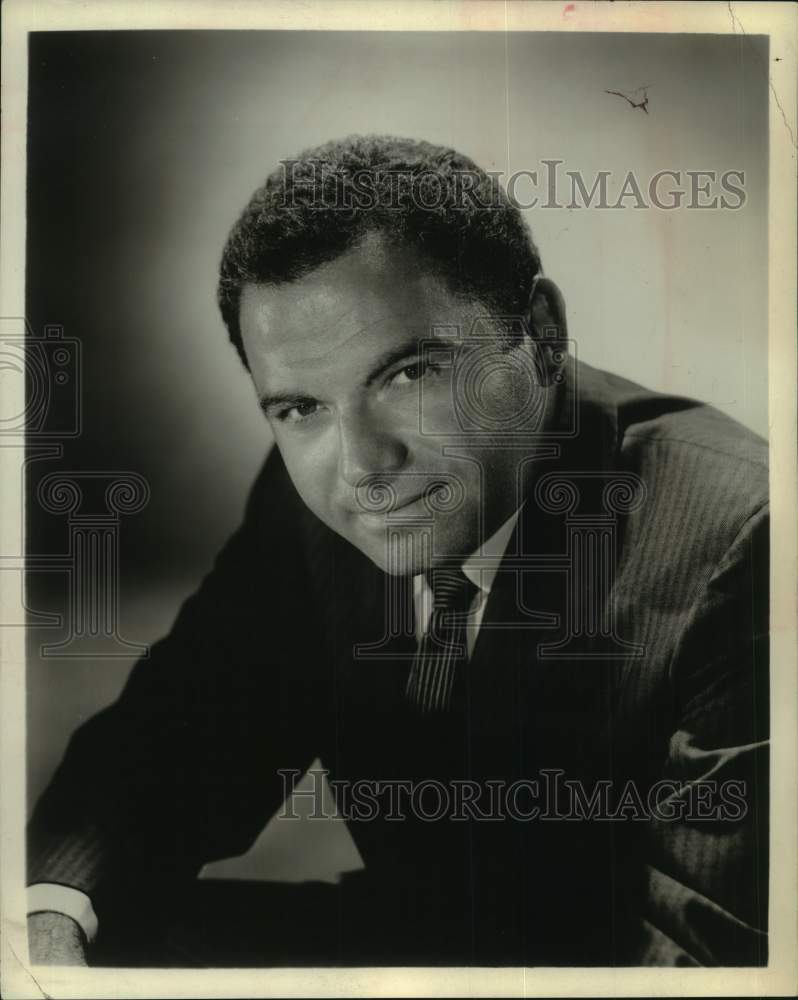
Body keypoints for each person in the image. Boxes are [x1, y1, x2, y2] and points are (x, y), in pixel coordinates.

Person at [27, 135, 769, 967]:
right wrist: (50, 922)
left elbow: (709, 963)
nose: (363, 466)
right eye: (301, 406)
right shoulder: (317, 495)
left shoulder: (743, 538)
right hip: (432, 950)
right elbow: (179, 734)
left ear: (541, 333)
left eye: (409, 374)